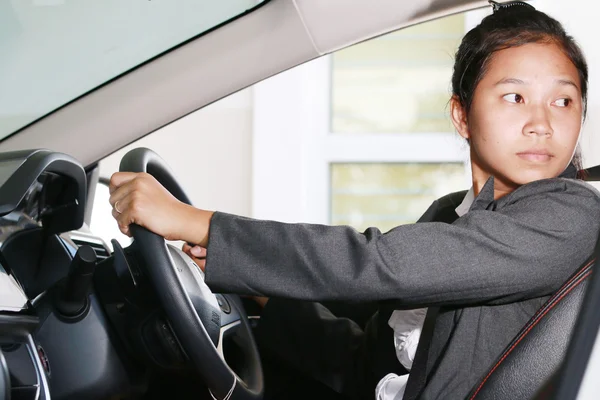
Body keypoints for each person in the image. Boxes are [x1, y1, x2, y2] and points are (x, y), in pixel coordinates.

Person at [108, 2, 600, 399]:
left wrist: (196, 222)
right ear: (462, 115)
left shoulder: (569, 215)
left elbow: (378, 265)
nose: (542, 121)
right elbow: (366, 367)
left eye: (564, 100)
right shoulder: (454, 212)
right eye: (514, 97)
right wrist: (262, 289)